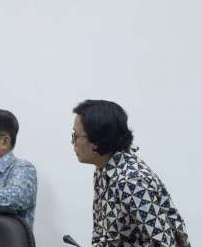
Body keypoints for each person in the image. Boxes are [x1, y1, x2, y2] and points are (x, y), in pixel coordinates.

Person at [71, 99, 189, 246]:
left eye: (75, 136)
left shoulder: (131, 182)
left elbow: (166, 244)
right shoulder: (103, 170)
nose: (72, 142)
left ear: (96, 140)